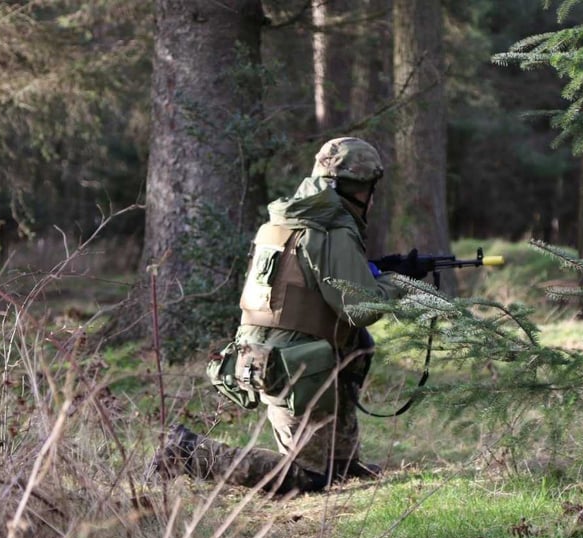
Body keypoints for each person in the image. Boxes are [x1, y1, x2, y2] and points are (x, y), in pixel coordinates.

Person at [150, 137, 426, 494]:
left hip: (268, 355)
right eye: (370, 189)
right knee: (305, 478)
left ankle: (342, 463)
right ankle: (188, 452)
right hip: (294, 366)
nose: (372, 199)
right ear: (358, 189)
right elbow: (359, 308)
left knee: (353, 349)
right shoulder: (331, 230)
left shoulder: (287, 219)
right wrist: (400, 283)